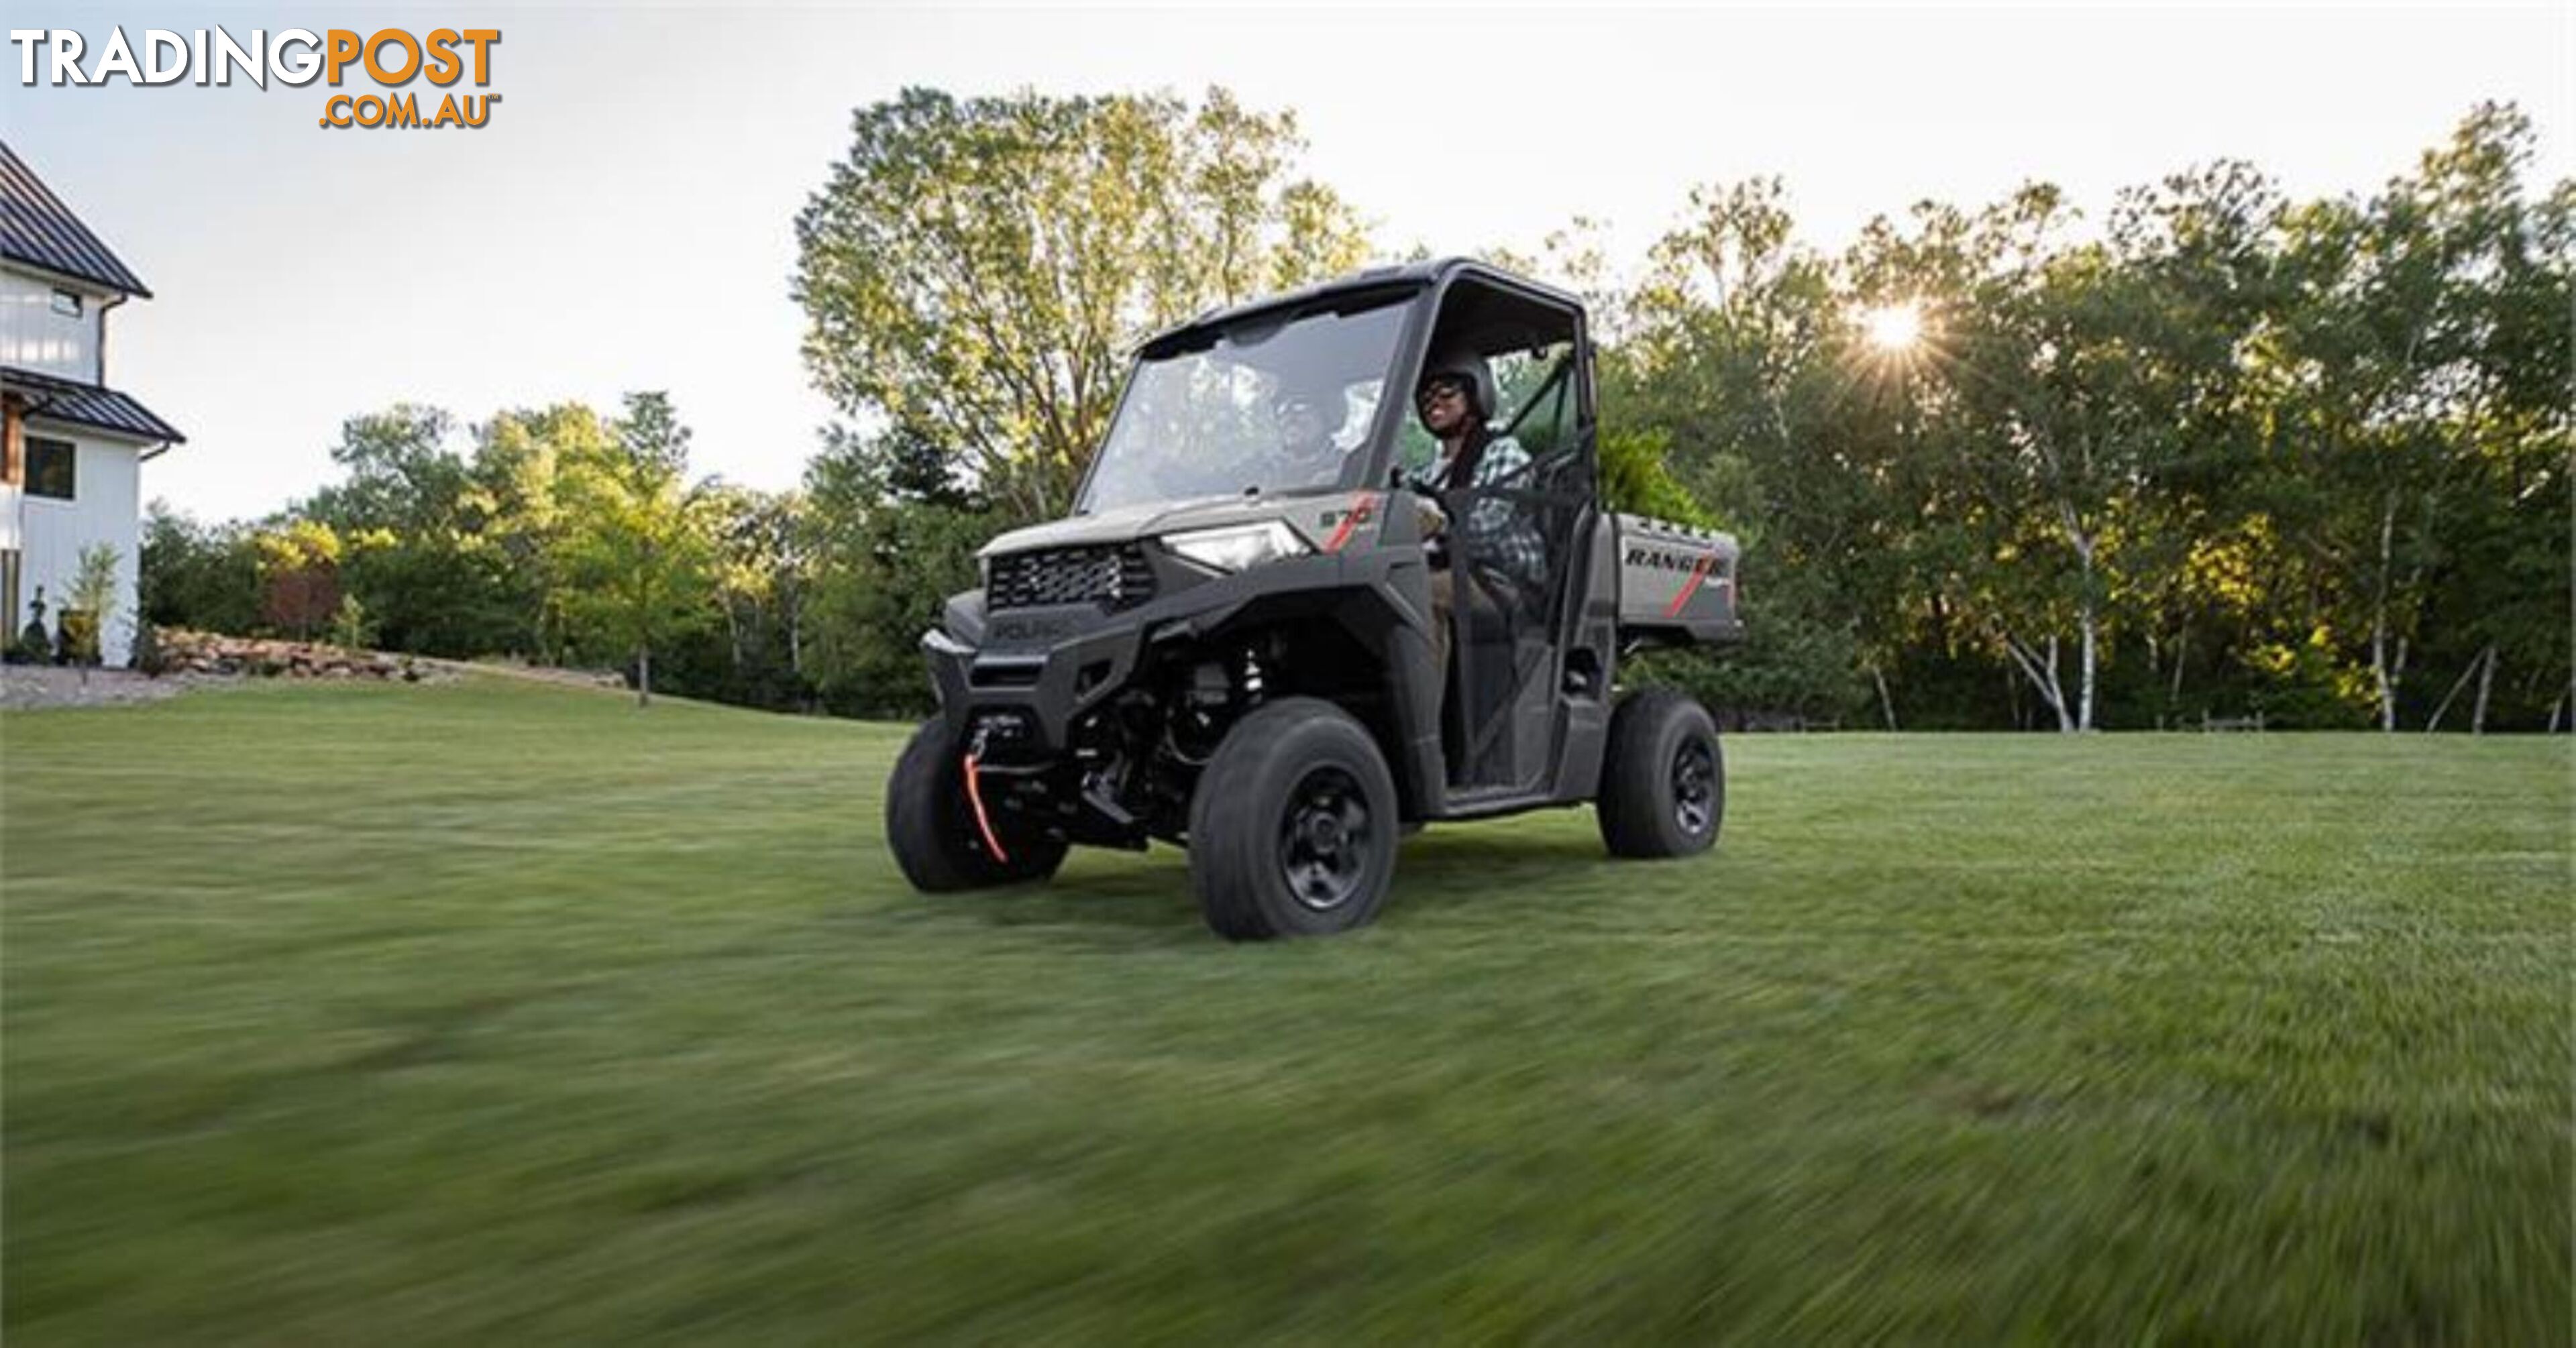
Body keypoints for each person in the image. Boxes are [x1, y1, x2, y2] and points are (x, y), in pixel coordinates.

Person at [1408, 351, 1548, 680]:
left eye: (1447, 391)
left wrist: (1439, 523)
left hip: (1500, 582)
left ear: (1476, 395)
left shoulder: (1503, 452)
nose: (1434, 402)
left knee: (1420, 596)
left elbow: (1489, 528)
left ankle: (1425, 728)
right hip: (1449, 572)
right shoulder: (1426, 473)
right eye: (1426, 396)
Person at [1269, 382, 1349, 488]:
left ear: (1328, 415)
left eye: (1300, 407)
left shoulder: (1347, 469)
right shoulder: (1264, 468)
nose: (1289, 418)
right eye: (1282, 408)